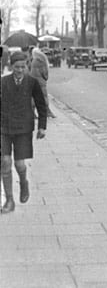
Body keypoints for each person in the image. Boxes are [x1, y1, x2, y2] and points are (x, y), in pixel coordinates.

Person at [1, 51, 48, 213]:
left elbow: (42, 105)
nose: (20, 70)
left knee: (19, 163)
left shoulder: (32, 82)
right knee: (5, 161)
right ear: (11, 66)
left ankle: (23, 182)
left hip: (23, 128)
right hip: (4, 128)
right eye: (16, 67)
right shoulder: (3, 82)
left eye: (22, 67)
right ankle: (9, 200)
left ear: (27, 66)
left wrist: (42, 126)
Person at [29, 47, 56, 118]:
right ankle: (47, 111)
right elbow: (44, 72)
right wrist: (46, 77)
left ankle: (32, 112)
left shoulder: (33, 60)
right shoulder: (42, 60)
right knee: (43, 96)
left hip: (33, 81)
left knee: (34, 97)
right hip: (41, 81)